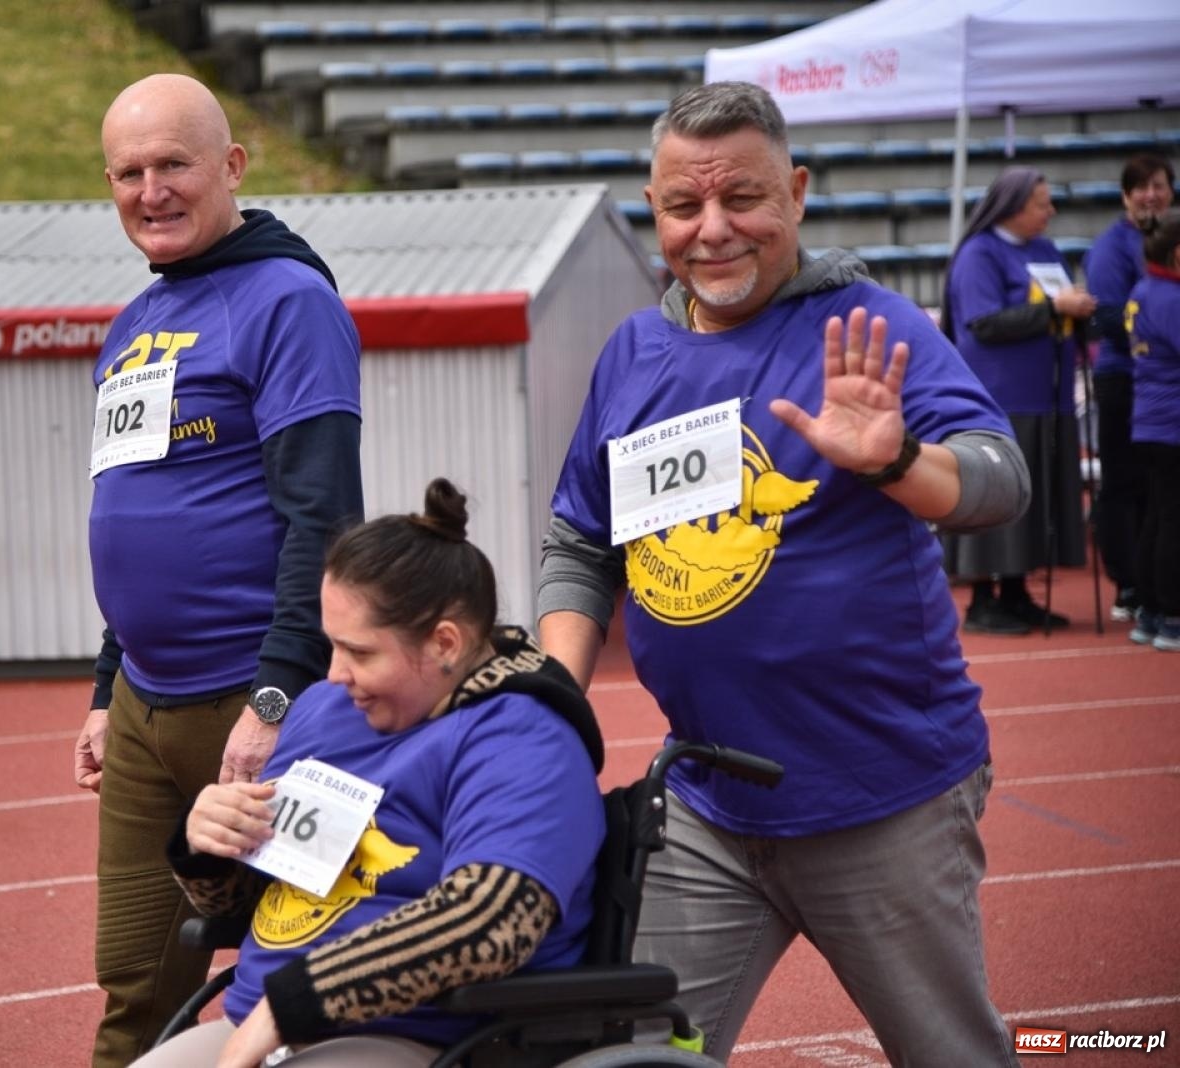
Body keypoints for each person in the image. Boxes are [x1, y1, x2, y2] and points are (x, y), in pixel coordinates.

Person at [538, 81, 1027, 1066]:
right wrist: (556, 698)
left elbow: (999, 480)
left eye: (744, 200)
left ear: (796, 194)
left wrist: (896, 462)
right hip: (707, 810)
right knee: (627, 1055)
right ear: (652, 208)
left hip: (881, 801)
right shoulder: (633, 353)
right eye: (683, 206)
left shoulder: (869, 326)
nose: (712, 230)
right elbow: (582, 541)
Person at [74, 73, 364, 1067]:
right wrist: (108, 690)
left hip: (257, 702)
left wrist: (279, 692)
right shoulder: (134, 323)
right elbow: (134, 513)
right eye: (128, 173)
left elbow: (323, 517)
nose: (149, 190)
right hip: (148, 719)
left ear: (231, 167)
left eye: (173, 166)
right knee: (134, 991)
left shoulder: (287, 299)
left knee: (309, 983)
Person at [131, 478, 607, 1068]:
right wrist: (209, 843)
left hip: (425, 1038)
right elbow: (239, 904)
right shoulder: (323, 710)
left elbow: (489, 923)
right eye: (331, 646)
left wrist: (291, 1005)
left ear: (445, 643)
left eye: (359, 652)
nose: (334, 674)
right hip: (254, 1022)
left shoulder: (524, 737)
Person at [940, 167, 1097, 633]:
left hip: (1048, 397)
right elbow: (983, 324)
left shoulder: (1046, 251)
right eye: (1041, 203)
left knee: (1036, 502)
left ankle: (1015, 591)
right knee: (997, 496)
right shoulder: (978, 254)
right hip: (1000, 398)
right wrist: (1053, 309)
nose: (1050, 211)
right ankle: (983, 600)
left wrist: (1079, 310)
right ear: (1012, 207)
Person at [1084, 155, 1176, 620]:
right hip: (1124, 378)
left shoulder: (1168, 238)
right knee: (1124, 484)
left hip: (1157, 382)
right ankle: (1129, 581)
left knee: (1158, 494)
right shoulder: (1111, 247)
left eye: (1158, 185)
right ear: (1125, 196)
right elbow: (1109, 316)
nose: (1150, 194)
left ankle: (1152, 584)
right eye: (1140, 187)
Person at [1126, 210, 1180, 651]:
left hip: (1149, 418)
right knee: (1172, 521)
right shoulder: (1171, 298)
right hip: (1173, 422)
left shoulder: (1145, 289)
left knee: (1157, 518)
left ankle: (1149, 609)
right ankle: (1173, 614)